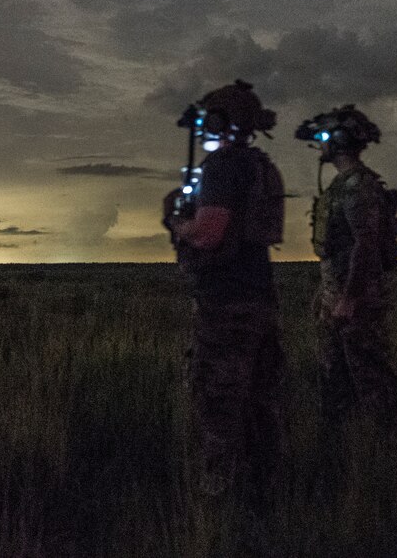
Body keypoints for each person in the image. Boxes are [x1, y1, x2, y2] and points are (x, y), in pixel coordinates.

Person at [162, 80, 287, 501]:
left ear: (220, 122)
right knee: (261, 403)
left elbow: (211, 232)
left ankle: (218, 503)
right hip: (259, 296)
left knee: (219, 406)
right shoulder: (259, 165)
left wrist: (179, 225)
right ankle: (267, 495)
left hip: (226, 303)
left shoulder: (222, 167)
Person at [294, 104, 397, 425]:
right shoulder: (342, 186)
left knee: (370, 372)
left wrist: (350, 297)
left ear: (340, 141)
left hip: (358, 300)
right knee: (337, 373)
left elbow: (366, 244)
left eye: (326, 137)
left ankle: (393, 441)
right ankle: (347, 445)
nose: (322, 144)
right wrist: (328, 292)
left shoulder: (359, 187)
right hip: (339, 296)